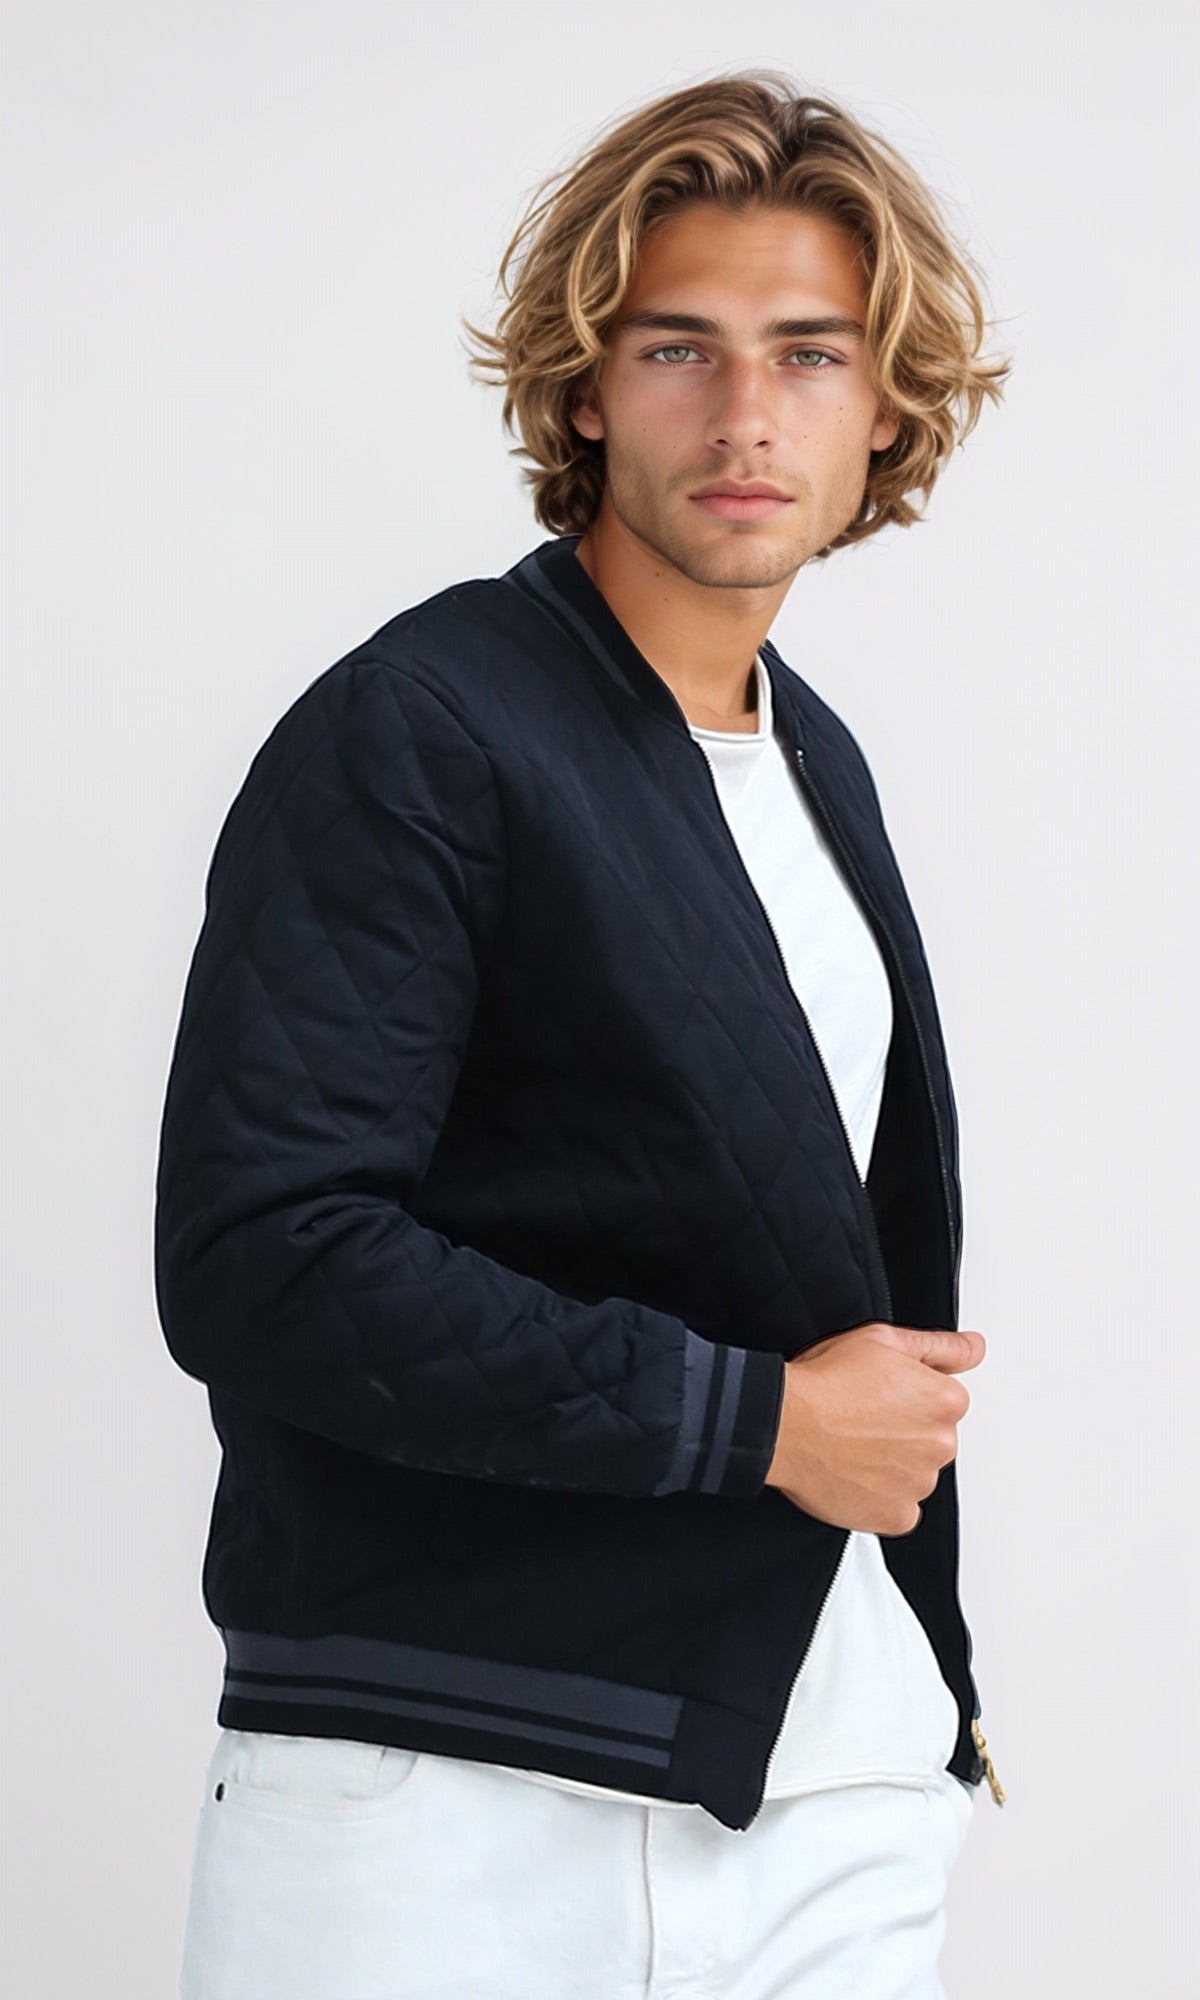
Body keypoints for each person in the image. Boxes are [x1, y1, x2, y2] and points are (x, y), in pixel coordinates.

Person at [155, 69, 1012, 2000]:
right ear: (588, 388)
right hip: (454, 1791)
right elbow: (263, 1255)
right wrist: (758, 1423)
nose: (745, 414)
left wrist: (917, 1713)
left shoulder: (816, 768)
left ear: (887, 408)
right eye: (678, 348)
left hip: (825, 1788)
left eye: (809, 354)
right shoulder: (422, 732)